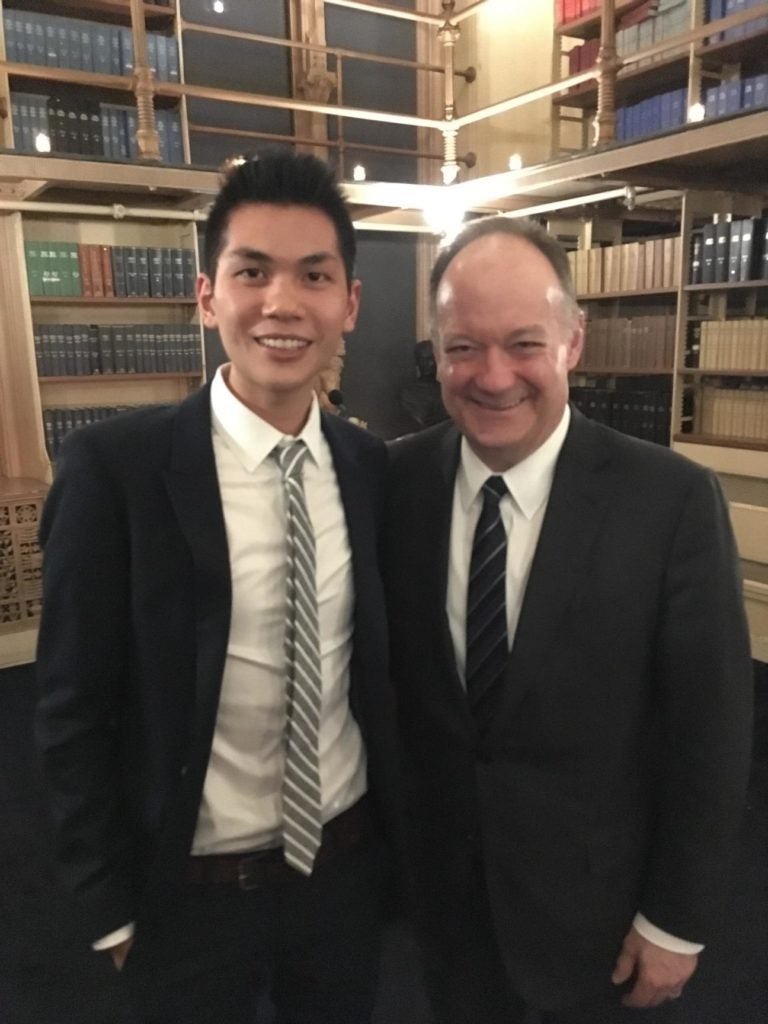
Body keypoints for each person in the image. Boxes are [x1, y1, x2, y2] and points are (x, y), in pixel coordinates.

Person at [35, 151, 402, 1024]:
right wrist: (105, 902)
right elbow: (70, 705)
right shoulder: (113, 473)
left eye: (314, 275)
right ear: (208, 297)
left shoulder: (370, 468)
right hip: (189, 896)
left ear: (349, 304)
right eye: (252, 271)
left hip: (341, 873)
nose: (282, 303)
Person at [383, 216, 754, 1024]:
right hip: (444, 906)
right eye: (462, 348)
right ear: (435, 353)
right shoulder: (394, 483)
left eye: (524, 344)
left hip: (599, 920)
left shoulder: (672, 503)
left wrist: (676, 920)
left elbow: (711, 732)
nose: (493, 376)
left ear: (573, 343)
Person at [399, 339, 449, 431]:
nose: (430, 363)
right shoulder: (411, 392)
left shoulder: (447, 389)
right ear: (417, 362)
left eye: (432, 358)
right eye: (424, 359)